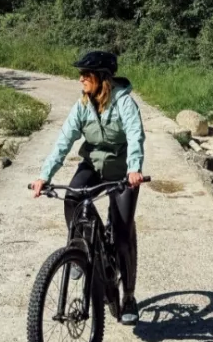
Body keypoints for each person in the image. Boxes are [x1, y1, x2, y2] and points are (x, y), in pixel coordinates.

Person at [29, 50, 146, 326]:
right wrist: (44, 175)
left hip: (121, 171)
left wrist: (134, 168)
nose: (80, 79)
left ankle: (128, 296)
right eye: (80, 74)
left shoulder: (124, 103)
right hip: (92, 165)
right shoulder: (82, 105)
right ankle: (81, 251)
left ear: (101, 78)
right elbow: (64, 140)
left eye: (86, 75)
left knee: (123, 229)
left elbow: (135, 135)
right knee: (72, 197)